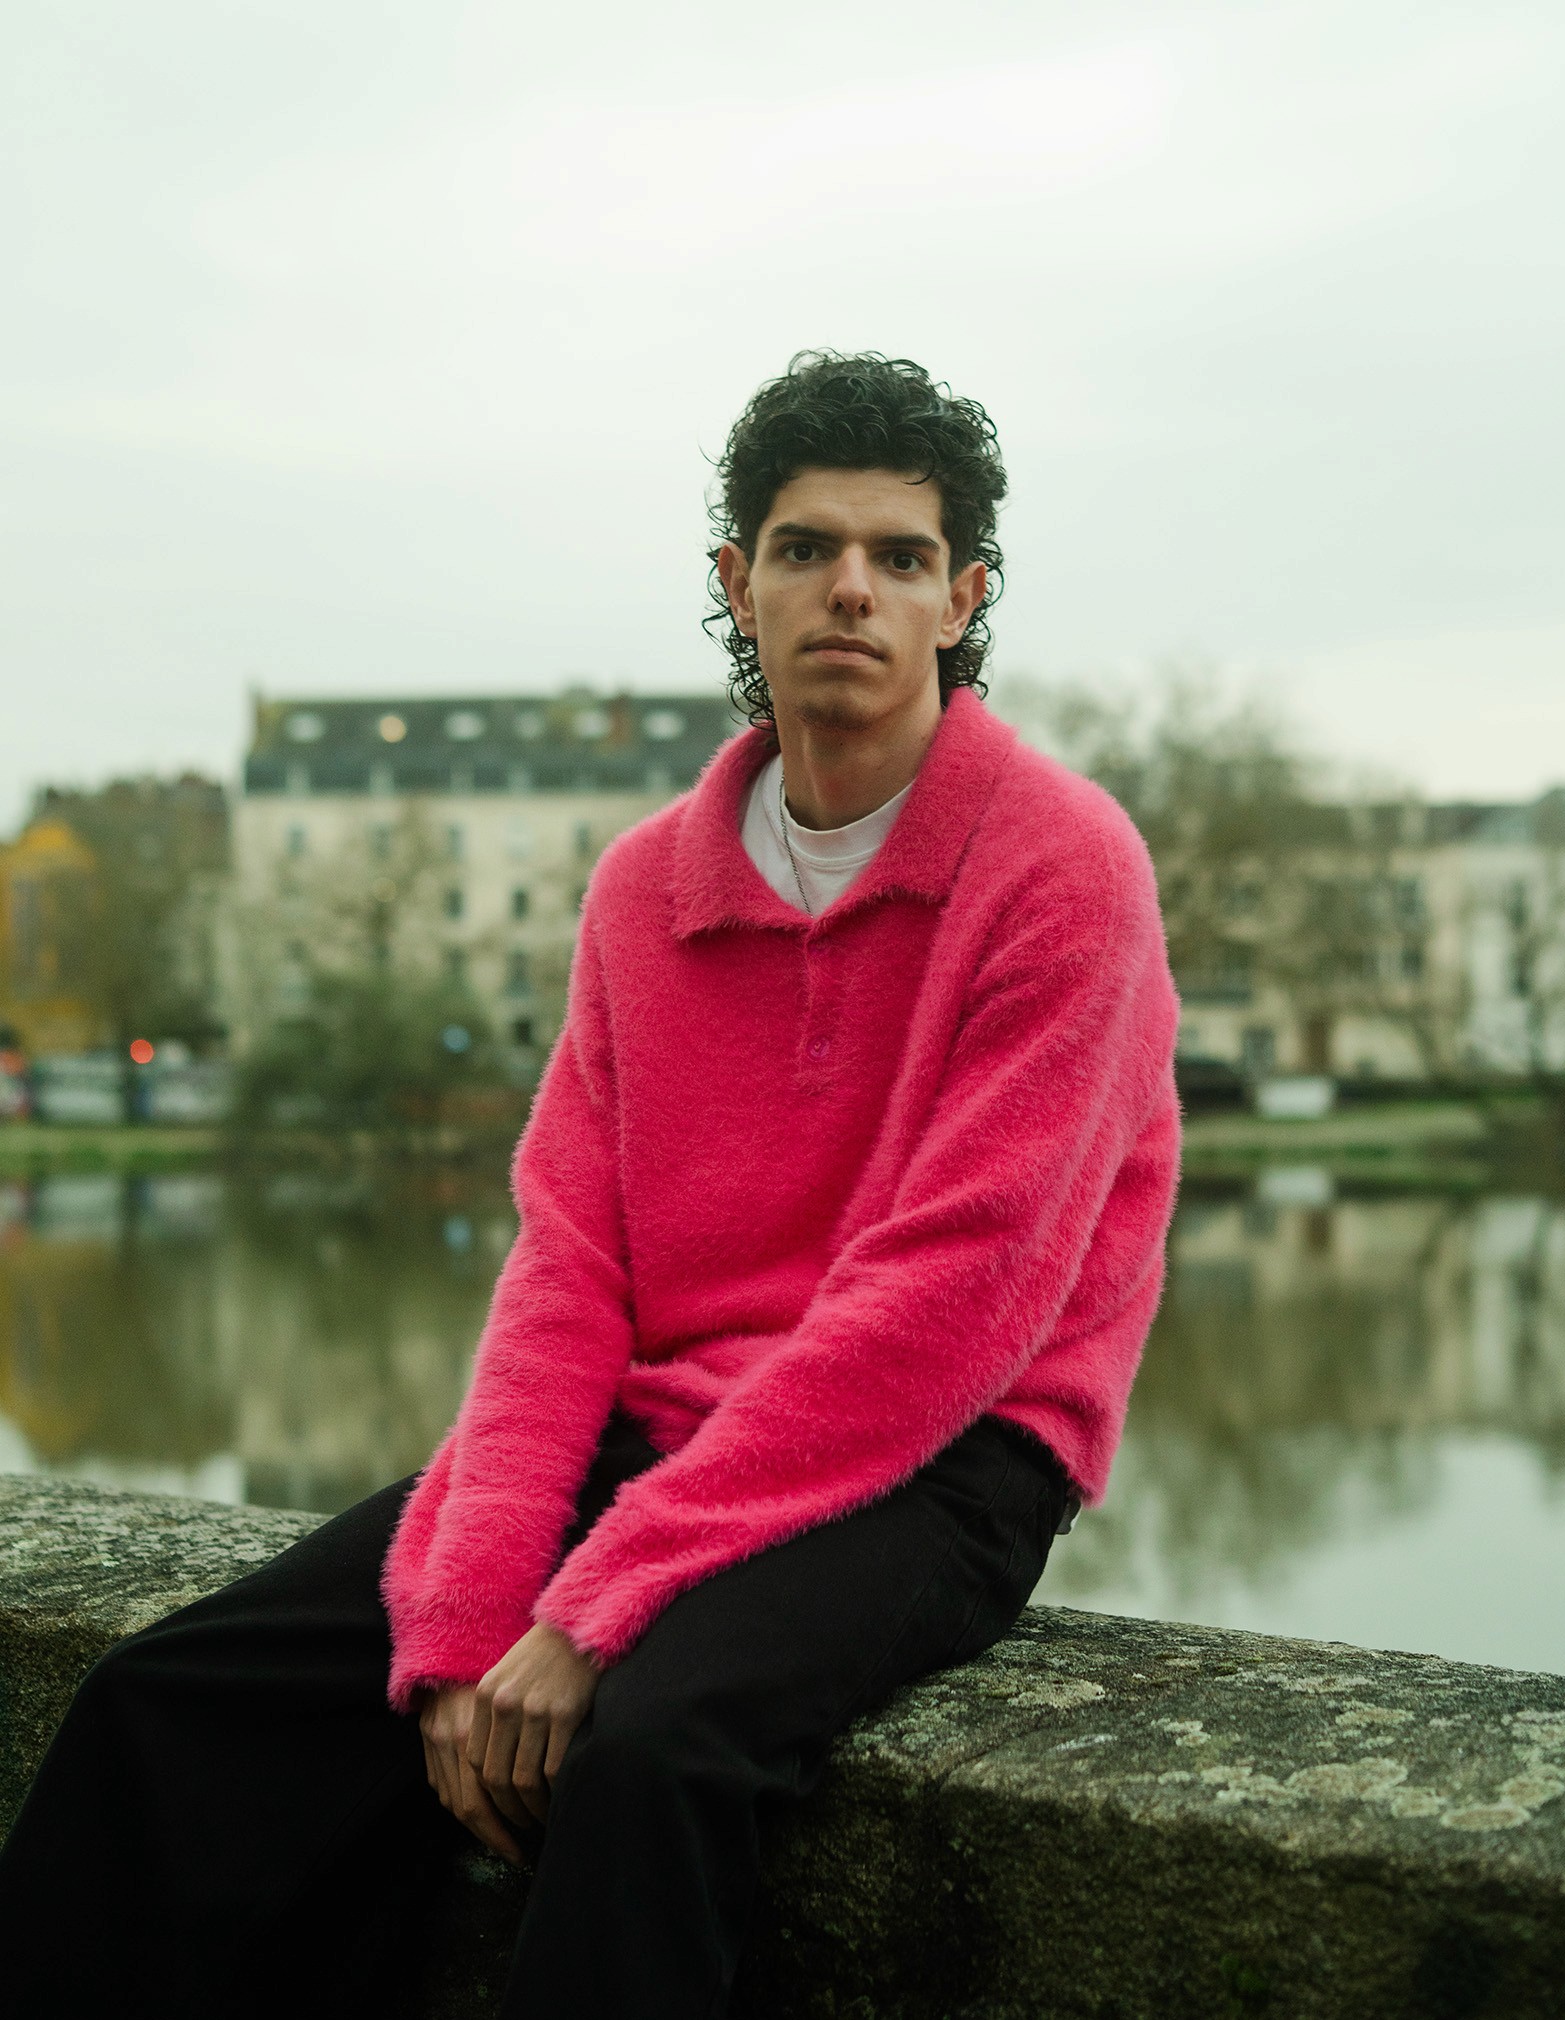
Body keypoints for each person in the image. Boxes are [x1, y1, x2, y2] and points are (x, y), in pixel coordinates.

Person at [0, 351, 1180, 2018]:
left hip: (950, 1449)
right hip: (668, 1417)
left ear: (961, 597)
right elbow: (568, 1267)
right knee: (180, 1696)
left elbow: (955, 1299)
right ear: (739, 583)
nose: (851, 588)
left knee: (650, 1745)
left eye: (900, 556)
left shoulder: (1064, 865)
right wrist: (471, 1615)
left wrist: (599, 1608)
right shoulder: (645, 891)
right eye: (805, 547)